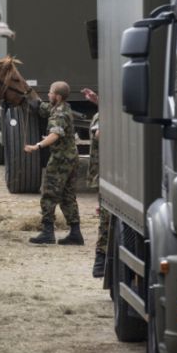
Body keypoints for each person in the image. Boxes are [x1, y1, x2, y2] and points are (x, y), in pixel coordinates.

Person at [24, 81, 82, 245]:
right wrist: (29, 93)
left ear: (57, 96)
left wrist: (37, 146)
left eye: (50, 92)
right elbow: (41, 107)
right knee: (67, 196)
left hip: (60, 160)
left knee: (49, 194)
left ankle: (48, 232)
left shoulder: (59, 114)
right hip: (71, 158)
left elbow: (55, 135)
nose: (48, 95)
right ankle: (75, 233)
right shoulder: (61, 108)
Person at [82, 88, 108, 278]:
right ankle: (100, 261)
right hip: (105, 175)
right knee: (105, 218)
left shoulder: (103, 116)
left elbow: (99, 135)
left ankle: (101, 261)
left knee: (105, 220)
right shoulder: (104, 114)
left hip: (106, 175)